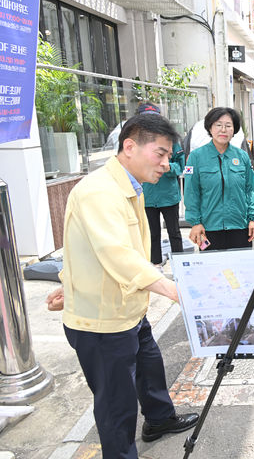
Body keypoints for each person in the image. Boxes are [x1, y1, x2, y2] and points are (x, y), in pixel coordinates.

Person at [45, 113, 198, 458]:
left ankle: (159, 419)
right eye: (159, 154)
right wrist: (175, 292)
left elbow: (88, 248)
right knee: (117, 406)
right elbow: (116, 255)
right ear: (129, 146)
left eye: (169, 156)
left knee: (149, 366)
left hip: (128, 308)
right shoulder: (99, 192)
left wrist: (70, 284)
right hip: (103, 324)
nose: (165, 164)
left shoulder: (129, 184)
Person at [184, 107, 254, 250]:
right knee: (213, 271)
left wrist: (252, 219)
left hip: (240, 226)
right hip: (209, 227)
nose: (223, 130)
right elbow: (191, 192)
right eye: (218, 125)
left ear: (234, 130)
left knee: (241, 270)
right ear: (210, 128)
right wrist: (195, 222)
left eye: (228, 126)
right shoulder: (196, 157)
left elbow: (251, 189)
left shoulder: (241, 156)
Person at [137, 103, 185, 268]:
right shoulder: (136, 142)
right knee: (151, 233)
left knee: (174, 232)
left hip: (169, 196)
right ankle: (155, 265)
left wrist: (170, 168)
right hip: (147, 195)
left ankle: (179, 265)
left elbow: (181, 165)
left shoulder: (172, 140)